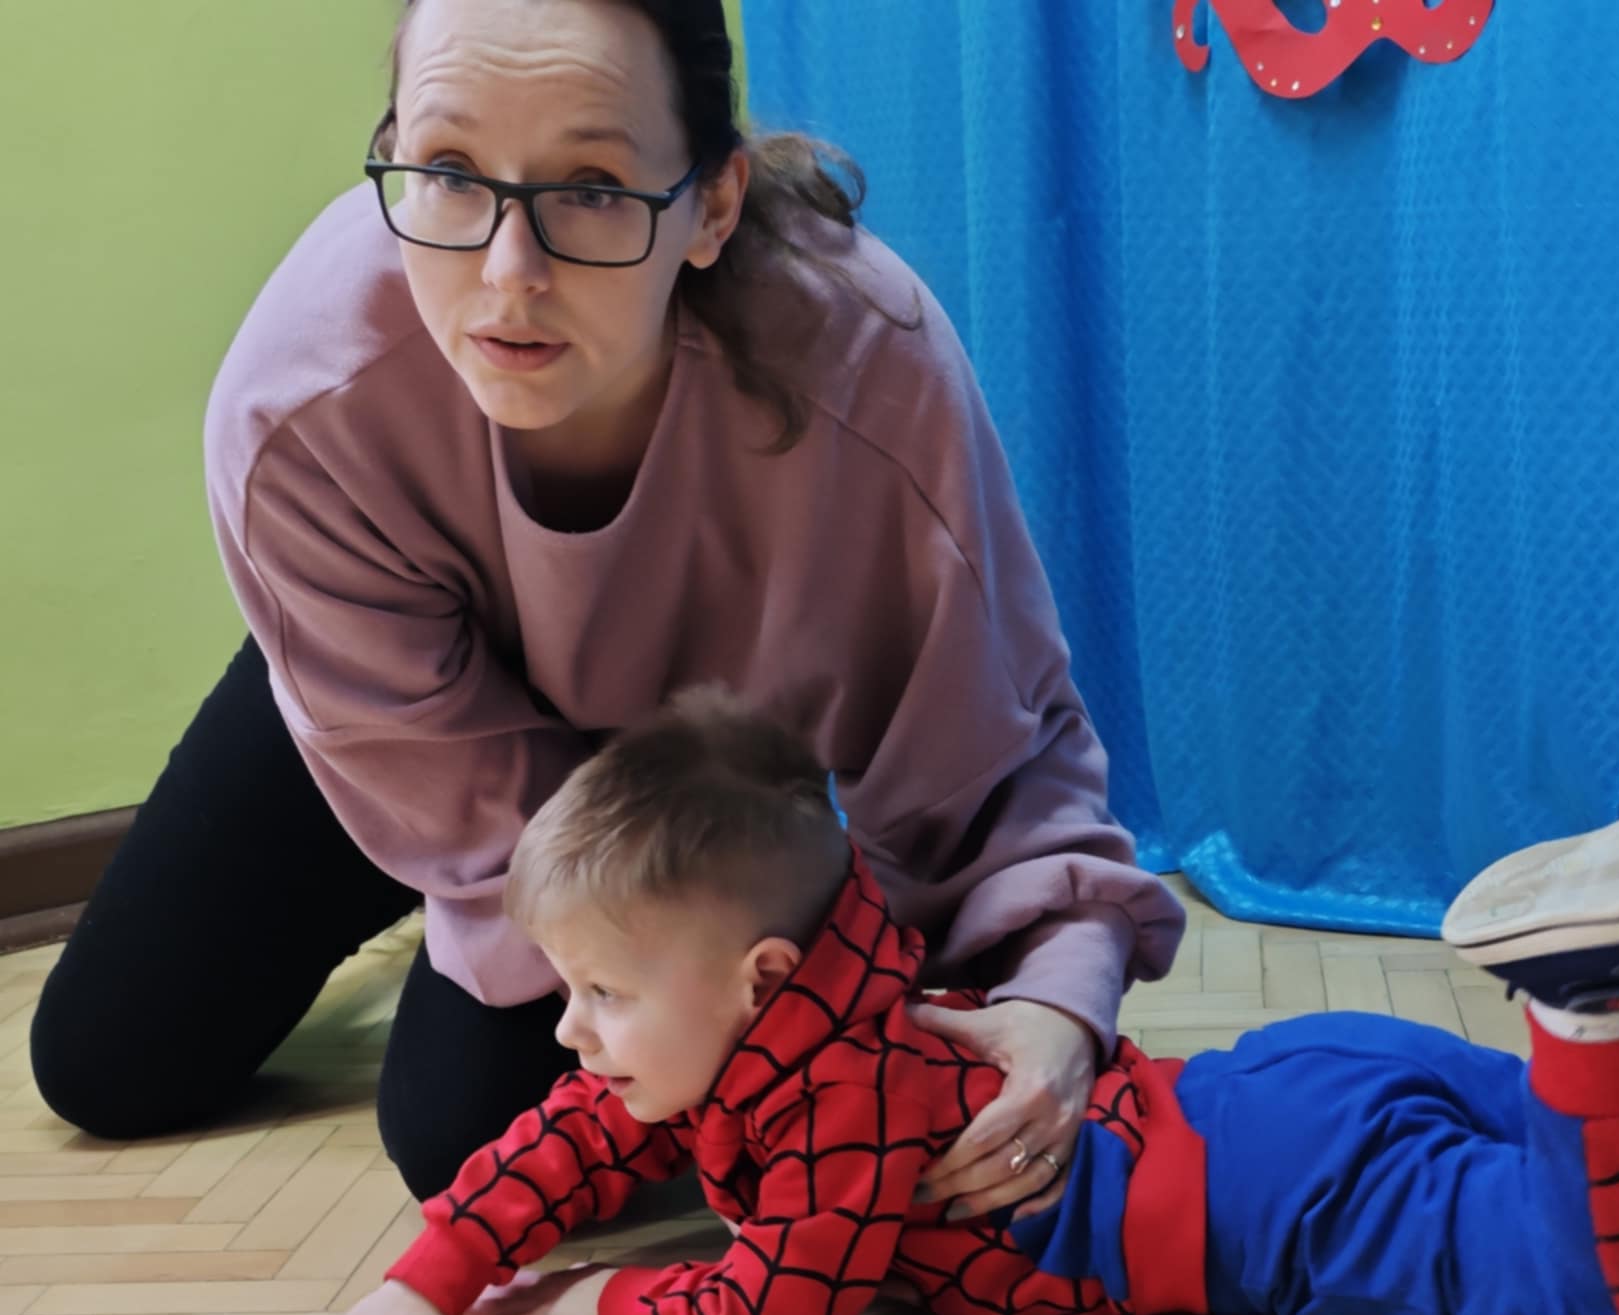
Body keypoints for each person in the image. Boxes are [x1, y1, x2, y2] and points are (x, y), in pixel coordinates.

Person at [28, 0, 1185, 1208]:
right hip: (418, 720)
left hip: (697, 785)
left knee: (461, 1129)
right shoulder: (300, 398)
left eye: (589, 188)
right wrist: (456, 855)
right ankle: (406, 873)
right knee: (108, 1062)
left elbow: (992, 753)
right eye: (449, 172)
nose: (507, 275)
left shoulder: (865, 374)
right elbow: (402, 735)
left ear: (713, 205)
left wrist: (1057, 999)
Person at [308, 688, 1619, 1315]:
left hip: (1286, 1204)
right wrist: (429, 1270)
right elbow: (576, 1135)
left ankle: (1599, 999)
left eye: (599, 991)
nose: (568, 1030)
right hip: (1279, 1088)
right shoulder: (809, 1021)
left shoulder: (832, 1119)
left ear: (755, 980)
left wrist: (582, 1300)